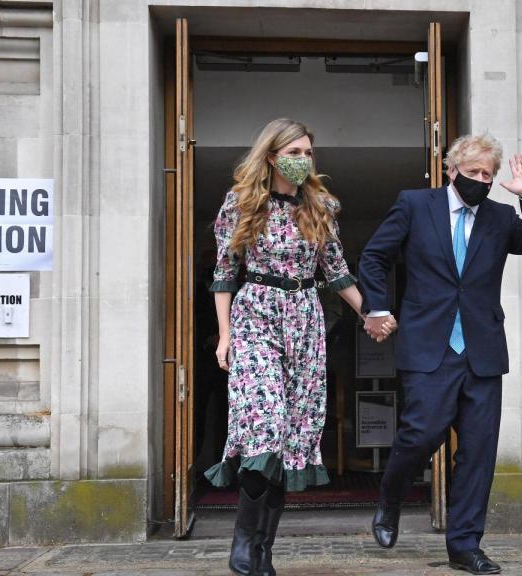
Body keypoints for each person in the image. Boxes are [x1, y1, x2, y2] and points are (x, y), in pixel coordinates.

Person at [208, 118, 395, 576]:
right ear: (271, 156)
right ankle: (243, 539)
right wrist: (227, 334)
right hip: (255, 315)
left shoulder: (320, 206)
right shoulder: (239, 204)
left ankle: (263, 551)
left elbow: (336, 271)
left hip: (305, 321)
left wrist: (368, 313)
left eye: (309, 153)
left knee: (290, 439)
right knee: (264, 429)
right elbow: (224, 273)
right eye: (294, 153)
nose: (303, 161)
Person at [359, 133, 522, 575]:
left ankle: (464, 546)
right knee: (420, 435)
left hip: (482, 351)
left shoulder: (501, 217)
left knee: (478, 452)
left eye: (488, 174)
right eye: (473, 173)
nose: (481, 181)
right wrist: (379, 306)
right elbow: (373, 257)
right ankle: (390, 497)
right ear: (451, 171)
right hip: (430, 347)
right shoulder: (414, 205)